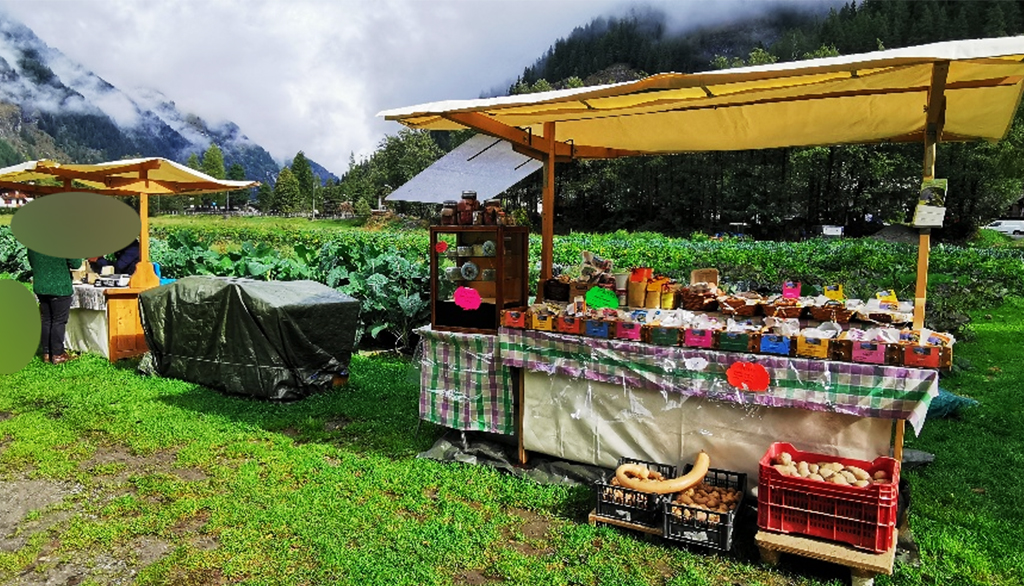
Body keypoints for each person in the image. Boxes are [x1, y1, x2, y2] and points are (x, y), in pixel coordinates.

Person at [26, 249, 81, 364]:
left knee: (46, 319)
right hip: (59, 286)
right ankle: (57, 354)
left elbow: (31, 262)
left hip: (41, 285)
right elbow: (76, 263)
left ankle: (47, 353)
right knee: (58, 321)